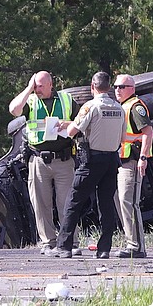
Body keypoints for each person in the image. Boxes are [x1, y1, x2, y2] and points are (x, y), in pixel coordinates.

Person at [47, 72, 126, 259]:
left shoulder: (90, 106)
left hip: (91, 160)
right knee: (106, 204)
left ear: (92, 86)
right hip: (112, 160)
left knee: (74, 201)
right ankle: (104, 248)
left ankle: (64, 246)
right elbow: (122, 138)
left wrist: (66, 126)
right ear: (108, 87)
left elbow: (73, 131)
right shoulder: (119, 108)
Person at [8, 71, 77, 253]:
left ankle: (70, 241)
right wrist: (28, 88)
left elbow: (81, 122)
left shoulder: (66, 99)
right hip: (38, 159)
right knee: (41, 203)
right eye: (35, 85)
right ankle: (48, 242)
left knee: (67, 203)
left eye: (40, 86)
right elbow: (14, 110)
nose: (37, 89)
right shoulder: (30, 101)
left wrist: (65, 123)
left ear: (50, 84)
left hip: (63, 159)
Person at [113, 74, 153, 258]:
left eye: (121, 86)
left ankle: (137, 247)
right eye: (115, 86)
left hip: (133, 161)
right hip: (121, 161)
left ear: (132, 88)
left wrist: (143, 157)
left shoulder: (136, 107)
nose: (117, 90)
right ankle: (131, 243)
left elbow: (148, 131)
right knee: (120, 201)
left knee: (129, 202)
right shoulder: (122, 107)